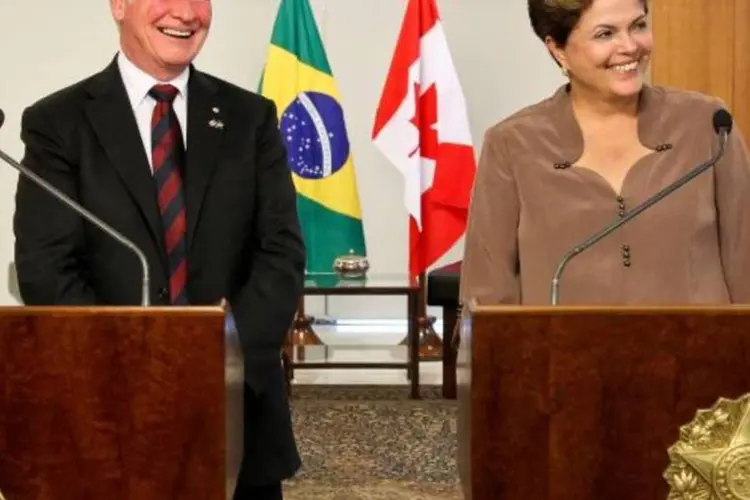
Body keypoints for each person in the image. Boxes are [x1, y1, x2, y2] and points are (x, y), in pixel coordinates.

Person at [12, 0, 305, 498]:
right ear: (119, 5)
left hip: (236, 410)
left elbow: (280, 252)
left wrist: (221, 359)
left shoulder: (250, 117)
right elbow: (48, 268)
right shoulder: (57, 123)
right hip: (107, 413)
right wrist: (135, 367)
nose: (187, 13)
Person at [458, 0, 750, 308]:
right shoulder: (512, 144)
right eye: (605, 34)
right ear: (557, 49)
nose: (630, 46)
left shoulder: (708, 125)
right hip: (560, 355)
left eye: (638, 26)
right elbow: (486, 300)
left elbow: (745, 262)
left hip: (702, 353)